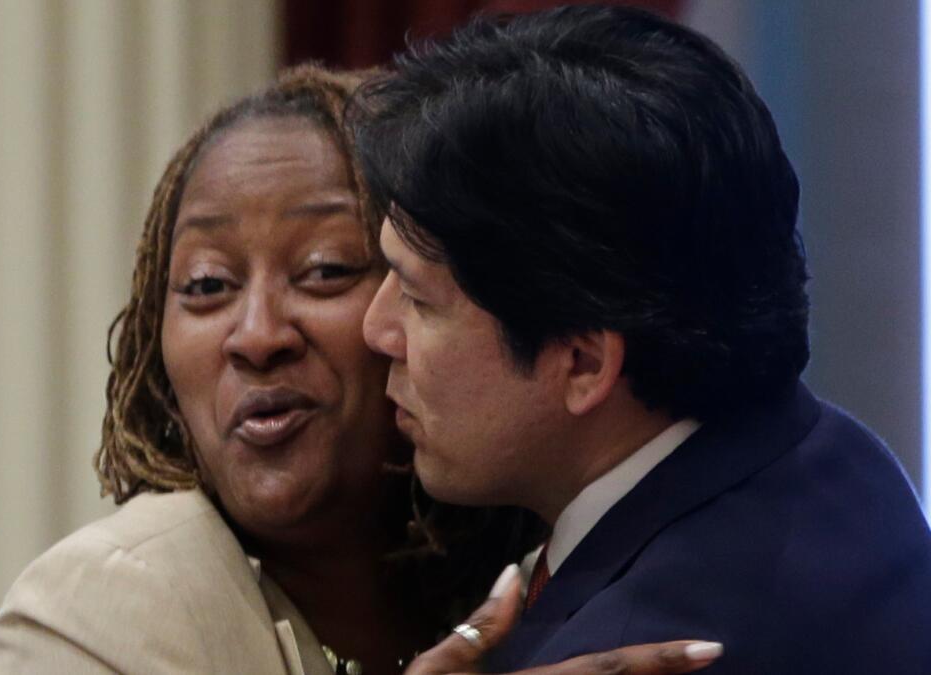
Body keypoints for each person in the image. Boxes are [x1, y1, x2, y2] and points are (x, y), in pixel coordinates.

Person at [0, 65, 724, 675]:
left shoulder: (532, 568)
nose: (259, 335)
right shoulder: (100, 607)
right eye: (207, 285)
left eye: (327, 270)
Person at [353, 5, 931, 673]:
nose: (375, 329)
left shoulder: (632, 644)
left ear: (583, 360)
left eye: (419, 299)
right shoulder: (831, 453)